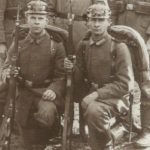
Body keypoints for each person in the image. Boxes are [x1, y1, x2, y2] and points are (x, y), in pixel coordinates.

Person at [64, 3, 135, 150]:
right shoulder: (83, 45)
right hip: (92, 93)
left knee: (95, 111)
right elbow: (80, 77)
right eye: (93, 20)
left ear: (109, 22)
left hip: (116, 98)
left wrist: (96, 94)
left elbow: (126, 84)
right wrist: (72, 68)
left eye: (101, 20)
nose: (97, 24)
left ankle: (107, 144)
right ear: (87, 23)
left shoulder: (118, 47)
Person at [1, 0, 66, 149]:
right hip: (24, 90)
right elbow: (6, 67)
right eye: (33, 18)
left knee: (46, 114)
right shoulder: (19, 42)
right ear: (26, 19)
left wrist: (54, 90)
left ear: (46, 21)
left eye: (40, 18)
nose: (36, 22)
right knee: (19, 120)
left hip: (44, 92)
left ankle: (48, 136)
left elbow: (61, 75)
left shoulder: (55, 45)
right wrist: (9, 73)